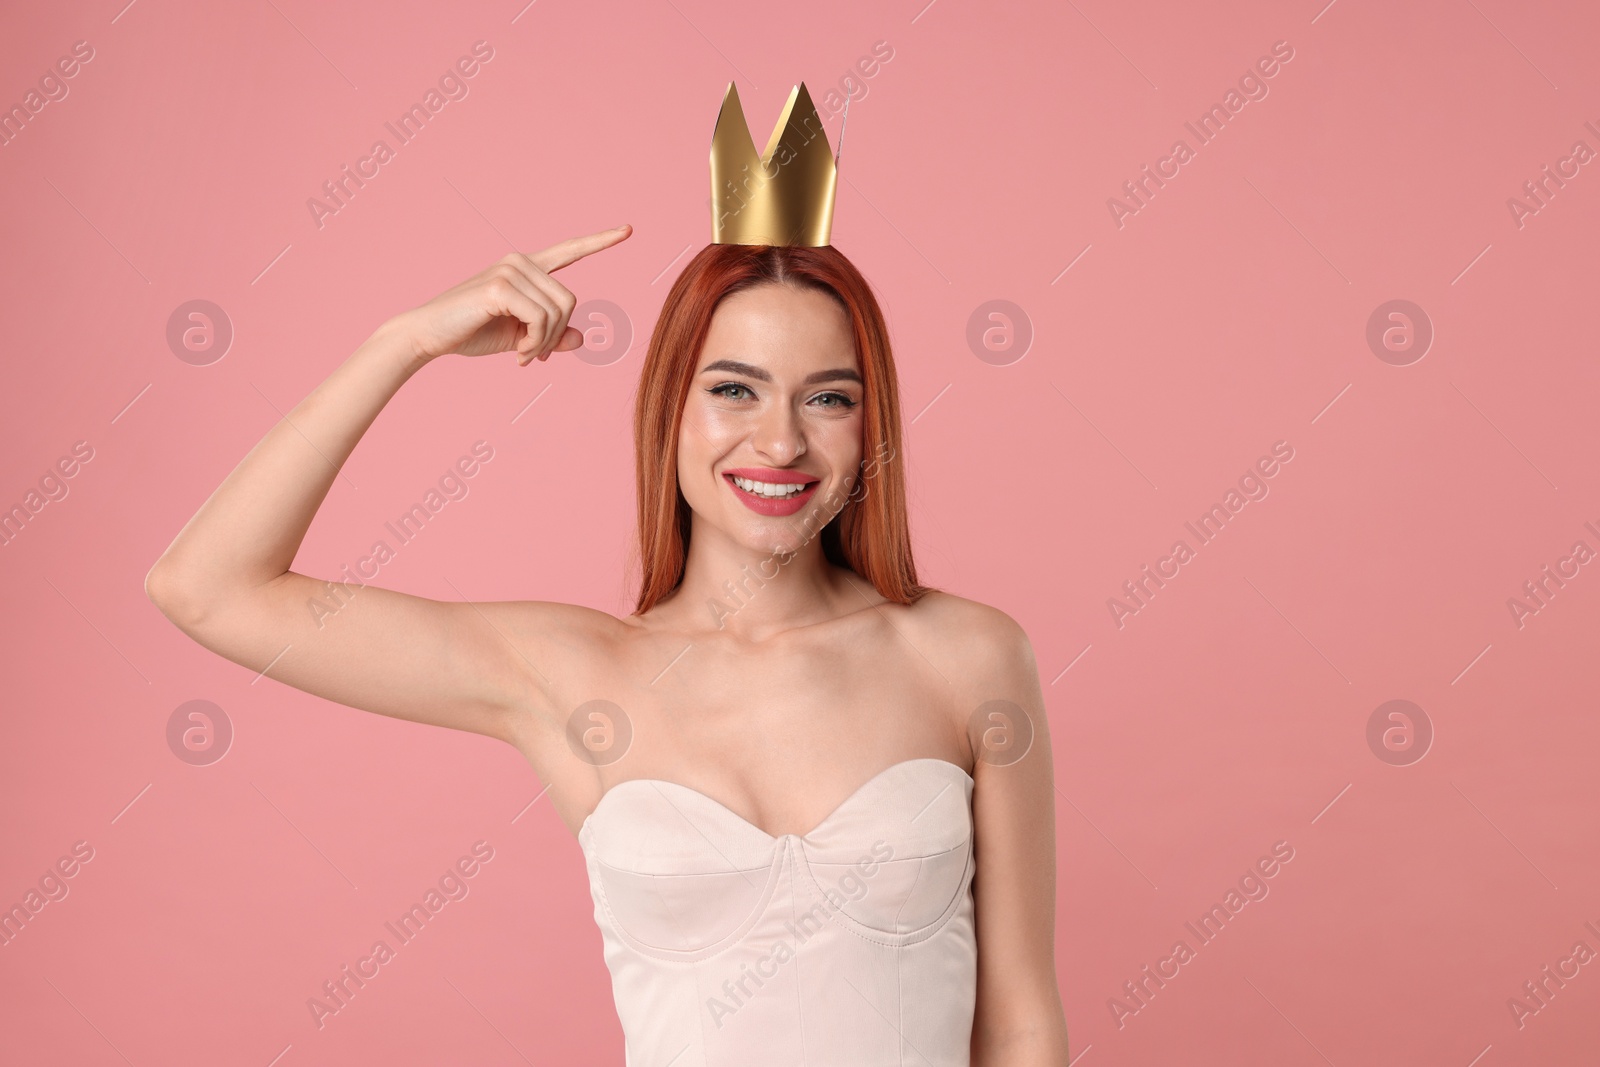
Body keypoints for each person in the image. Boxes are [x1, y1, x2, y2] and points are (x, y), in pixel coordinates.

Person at [146, 83, 1069, 1066]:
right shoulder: (567, 671)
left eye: (828, 398)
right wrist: (402, 342)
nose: (781, 440)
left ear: (869, 419)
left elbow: (1018, 1019)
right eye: (733, 389)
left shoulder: (968, 655)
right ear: (669, 404)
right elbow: (207, 586)